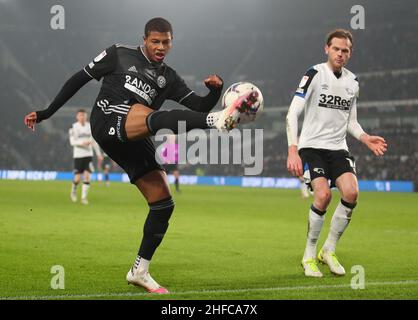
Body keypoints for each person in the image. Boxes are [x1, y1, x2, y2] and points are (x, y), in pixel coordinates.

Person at [24, 17, 258, 293]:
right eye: (155, 41)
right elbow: (79, 79)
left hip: (135, 135)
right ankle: (216, 124)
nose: (161, 47)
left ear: (172, 42)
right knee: (155, 117)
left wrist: (215, 92)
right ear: (144, 39)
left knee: (163, 202)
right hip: (108, 118)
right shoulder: (118, 54)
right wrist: (47, 112)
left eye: (166, 42)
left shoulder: (169, 78)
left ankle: (140, 271)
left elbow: (198, 105)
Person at [286, 29, 387, 277]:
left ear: (350, 53)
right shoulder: (314, 74)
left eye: (345, 50)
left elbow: (351, 122)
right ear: (327, 49)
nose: (341, 54)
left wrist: (364, 137)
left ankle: (328, 250)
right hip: (311, 147)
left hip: (338, 148)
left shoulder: (353, 82)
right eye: (336, 49)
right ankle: (309, 255)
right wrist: (293, 150)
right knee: (322, 196)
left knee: (352, 193)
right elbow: (292, 113)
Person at [69, 109, 103, 204]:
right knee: (78, 178)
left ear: (86, 116)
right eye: (80, 115)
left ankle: (84, 198)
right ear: (77, 117)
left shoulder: (90, 127)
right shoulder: (73, 127)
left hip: (88, 155)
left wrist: (99, 154)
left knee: (87, 176)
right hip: (78, 155)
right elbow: (72, 142)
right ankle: (73, 190)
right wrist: (82, 142)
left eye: (83, 115)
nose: (82, 117)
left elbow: (94, 141)